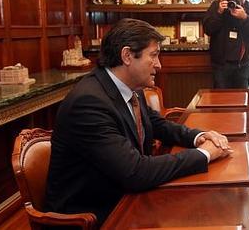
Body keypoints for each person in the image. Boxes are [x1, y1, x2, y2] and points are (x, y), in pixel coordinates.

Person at [45, 18, 232, 223]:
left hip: (126, 197)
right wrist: (204, 154)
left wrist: (198, 136)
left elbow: (156, 123)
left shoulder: (130, 87)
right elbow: (136, 172)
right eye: (153, 56)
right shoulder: (88, 103)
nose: (159, 65)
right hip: (94, 216)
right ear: (127, 56)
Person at [203, 0, 249, 88]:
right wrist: (219, 13)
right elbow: (208, 29)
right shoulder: (218, 5)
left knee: (242, 99)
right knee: (221, 100)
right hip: (221, 65)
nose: (237, 3)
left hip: (242, 65)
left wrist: (245, 17)